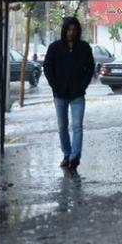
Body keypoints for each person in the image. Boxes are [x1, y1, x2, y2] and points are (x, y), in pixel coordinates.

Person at [43, 17, 94, 171]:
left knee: (77, 126)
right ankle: (67, 154)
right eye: (69, 29)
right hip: (60, 95)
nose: (71, 33)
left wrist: (82, 85)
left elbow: (90, 68)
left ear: (78, 31)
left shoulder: (84, 48)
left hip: (77, 95)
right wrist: (55, 86)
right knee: (62, 126)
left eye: (74, 29)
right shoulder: (54, 48)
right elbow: (47, 67)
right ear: (64, 30)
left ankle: (75, 157)